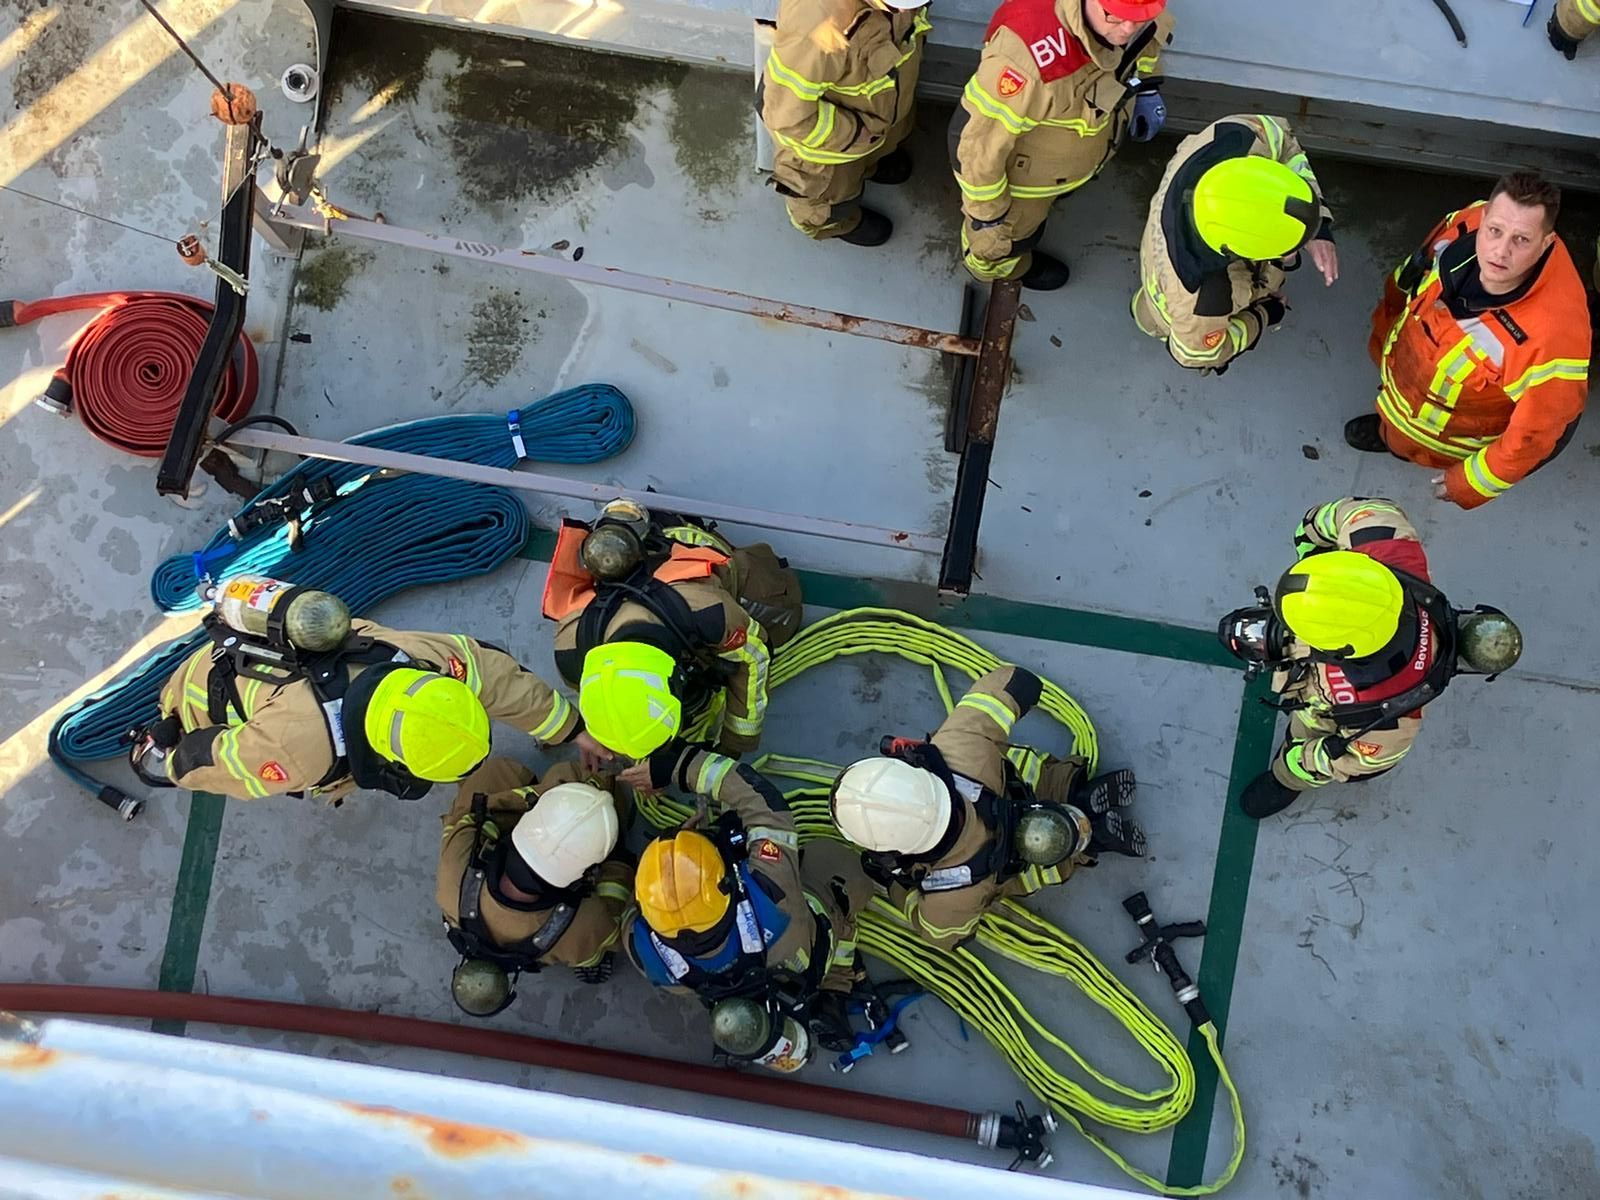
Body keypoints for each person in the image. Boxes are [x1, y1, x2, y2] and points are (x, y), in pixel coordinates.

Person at [135, 580, 604, 803]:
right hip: (194, 700)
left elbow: (496, 676)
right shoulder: (296, 752)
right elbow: (210, 760)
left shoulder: (416, 661)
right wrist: (171, 760)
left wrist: (572, 726)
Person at [1217, 498, 1524, 819]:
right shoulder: (1384, 539)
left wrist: (1302, 759)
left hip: (1320, 715)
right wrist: (1315, 558)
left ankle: (1283, 780)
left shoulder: (1386, 722)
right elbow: (1341, 514)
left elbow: (1354, 763)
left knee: (1306, 736)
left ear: (1340, 651)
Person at [830, 666, 1143, 951]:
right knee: (1043, 780)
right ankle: (1077, 793)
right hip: (1029, 791)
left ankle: (1093, 841)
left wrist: (896, 886)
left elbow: (946, 937)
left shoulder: (947, 898)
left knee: (1041, 862)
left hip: (1028, 860)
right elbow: (1018, 682)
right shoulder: (958, 745)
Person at [622, 743, 874, 1071]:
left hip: (742, 983)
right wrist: (680, 765)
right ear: (725, 882)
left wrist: (671, 866)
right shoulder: (772, 897)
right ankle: (838, 980)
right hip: (804, 952)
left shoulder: (645, 953)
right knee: (840, 865)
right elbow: (764, 806)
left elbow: (632, 912)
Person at [1350, 172, 1591, 510]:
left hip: (1453, 437)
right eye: (1494, 231)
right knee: (1394, 435)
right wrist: (1383, 334)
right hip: (1403, 382)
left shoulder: (1553, 337)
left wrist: (1467, 483)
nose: (1500, 251)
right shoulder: (1465, 222)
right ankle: (1388, 436)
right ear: (1485, 216)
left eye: (1521, 240)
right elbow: (1410, 275)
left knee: (1414, 448)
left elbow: (1533, 436)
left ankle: (1401, 446)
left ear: (1546, 242)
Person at [543, 500, 803, 763]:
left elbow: (755, 658)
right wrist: (603, 739)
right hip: (668, 619)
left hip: (689, 548)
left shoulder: (708, 613)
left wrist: (732, 746)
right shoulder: (571, 654)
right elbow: (612, 702)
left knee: (783, 613)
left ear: (675, 679)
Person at [950, 0, 1175, 289]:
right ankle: (1000, 268)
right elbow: (974, 147)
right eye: (1114, 16)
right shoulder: (1025, 58)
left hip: (1076, 160)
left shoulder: (1134, 10)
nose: (1129, 28)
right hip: (1023, 188)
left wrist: (1147, 87)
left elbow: (1144, 46)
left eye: (1140, 16)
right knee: (1003, 241)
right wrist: (989, 215)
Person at [1133, 113, 1338, 373]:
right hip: (1183, 315)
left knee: (1145, 308)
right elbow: (1193, 355)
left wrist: (1318, 224)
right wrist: (1264, 315)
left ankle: (1142, 312)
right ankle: (1153, 323)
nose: (1295, 252)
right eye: (1286, 249)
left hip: (1155, 260)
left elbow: (1282, 139)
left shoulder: (1234, 138)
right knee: (1159, 320)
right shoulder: (1205, 300)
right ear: (1241, 252)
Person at [438, 757, 633, 1017]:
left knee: (490, 776)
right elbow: (611, 925)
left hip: (565, 943)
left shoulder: (454, 879)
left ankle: (589, 961)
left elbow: (469, 820)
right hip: (578, 939)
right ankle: (591, 964)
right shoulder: (586, 926)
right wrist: (619, 862)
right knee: (589, 788)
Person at [757, 0, 932, 245]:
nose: (907, 11)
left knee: (881, 149)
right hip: (830, 151)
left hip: (876, 118)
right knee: (828, 204)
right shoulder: (815, 24)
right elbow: (787, 117)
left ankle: (869, 166)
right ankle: (840, 224)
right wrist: (855, 135)